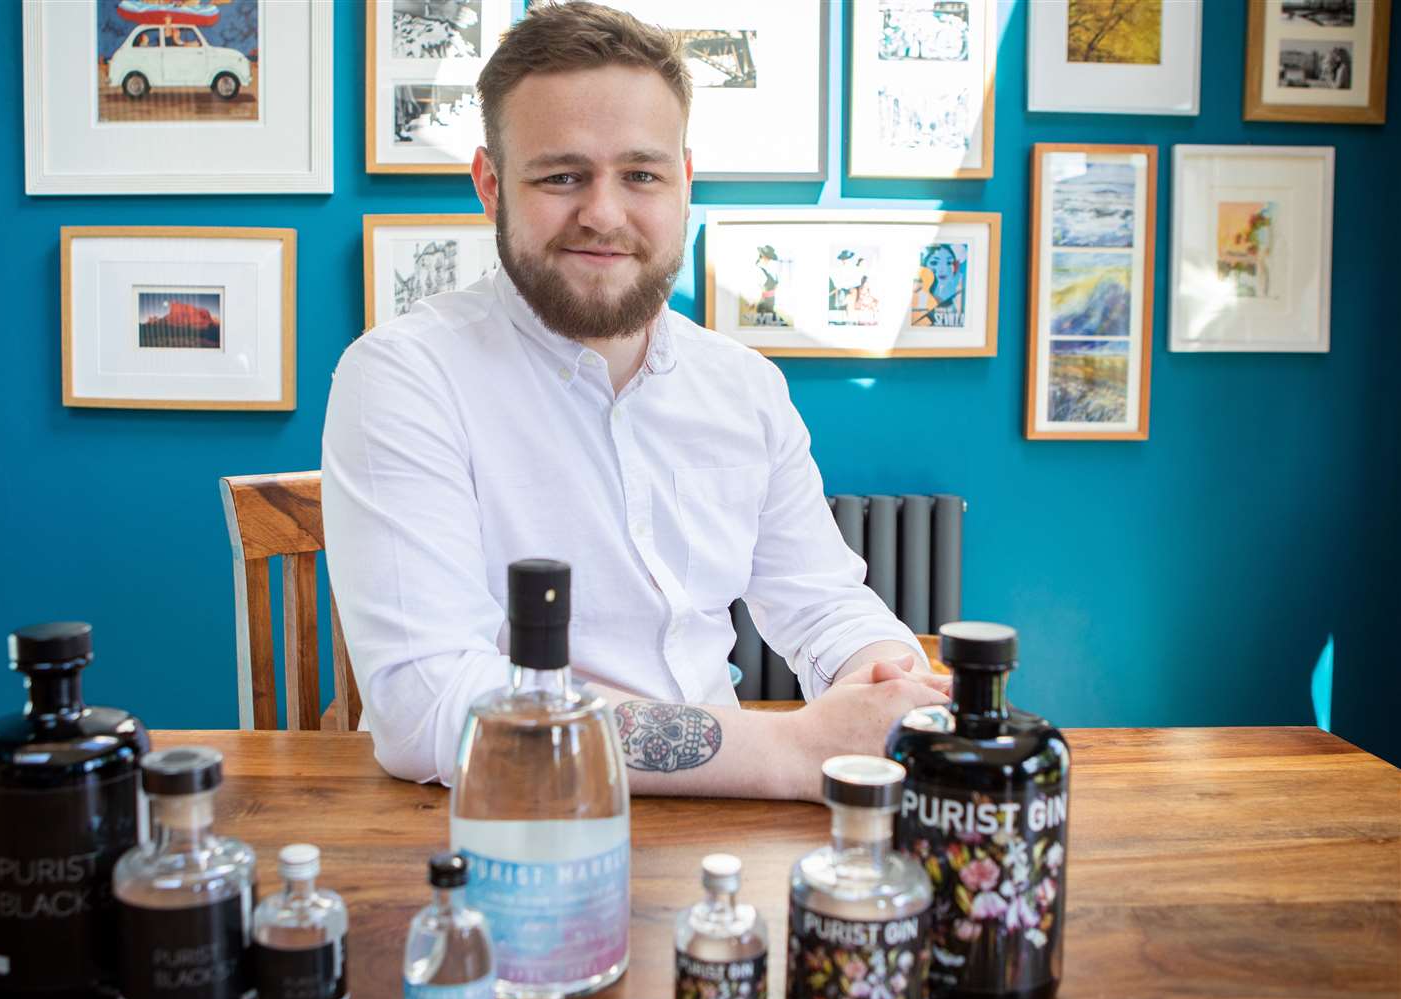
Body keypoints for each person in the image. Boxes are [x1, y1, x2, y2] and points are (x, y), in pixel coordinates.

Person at [322, 1, 948, 803]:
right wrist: (792, 749)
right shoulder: (403, 377)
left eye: (641, 174)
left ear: (685, 179)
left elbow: (825, 605)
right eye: (562, 175)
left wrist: (888, 689)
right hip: (502, 830)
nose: (604, 214)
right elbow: (429, 710)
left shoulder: (745, 386)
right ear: (489, 184)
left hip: (725, 830)